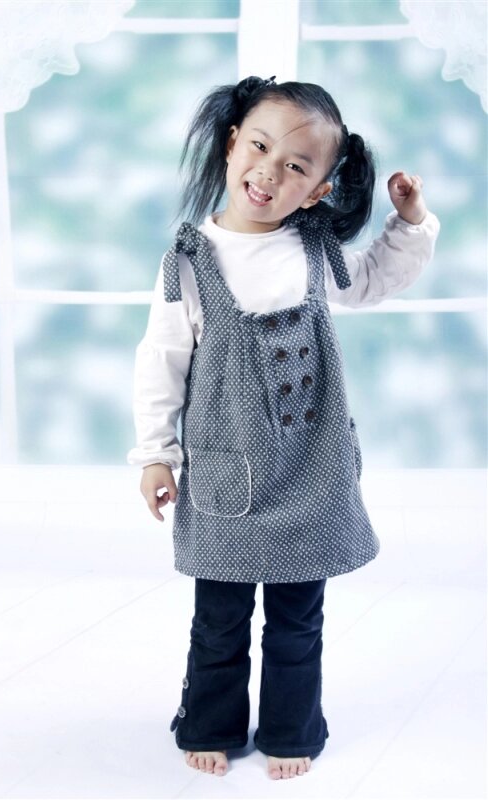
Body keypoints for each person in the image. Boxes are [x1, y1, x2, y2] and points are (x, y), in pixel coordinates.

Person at [127, 76, 440, 780]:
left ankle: (292, 730)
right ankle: (210, 723)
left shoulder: (314, 251)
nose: (270, 172)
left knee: (299, 621)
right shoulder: (188, 260)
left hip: (309, 469)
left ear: (318, 190)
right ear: (232, 144)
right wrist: (155, 456)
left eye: (296, 165)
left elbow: (374, 279)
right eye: (260, 148)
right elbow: (161, 359)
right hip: (227, 473)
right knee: (219, 620)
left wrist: (409, 222)